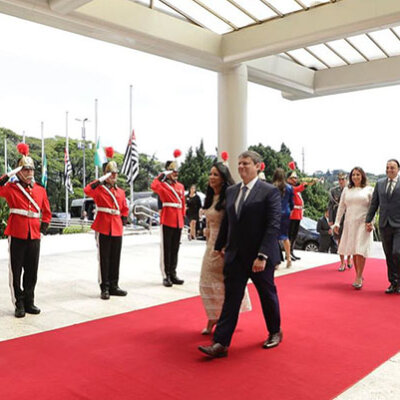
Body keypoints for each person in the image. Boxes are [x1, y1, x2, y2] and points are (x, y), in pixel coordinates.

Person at [198, 150, 282, 358]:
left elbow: (273, 226)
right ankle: (221, 343)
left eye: (246, 163)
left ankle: (274, 332)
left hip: (259, 257)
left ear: (257, 166)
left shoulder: (268, 191)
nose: (242, 167)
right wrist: (219, 246)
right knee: (231, 299)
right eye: (240, 164)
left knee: (267, 295)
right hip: (235, 256)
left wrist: (262, 256)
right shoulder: (232, 191)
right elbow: (228, 221)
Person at [199, 162, 251, 335]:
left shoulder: (229, 197)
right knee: (206, 283)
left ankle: (222, 319)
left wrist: (228, 245)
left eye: (215, 175)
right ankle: (213, 316)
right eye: (210, 174)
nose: (211, 177)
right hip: (210, 245)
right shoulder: (210, 198)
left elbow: (234, 224)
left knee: (224, 284)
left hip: (224, 246)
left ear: (223, 178)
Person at [0, 143, 51, 318]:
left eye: (31, 170)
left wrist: (43, 229)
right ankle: (19, 303)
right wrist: (9, 175)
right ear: (19, 171)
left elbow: (47, 213)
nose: (30, 173)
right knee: (16, 271)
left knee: (32, 270)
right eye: (26, 170)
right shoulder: (11, 188)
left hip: (34, 234)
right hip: (17, 232)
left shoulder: (40, 190)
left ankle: (29, 301)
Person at [84, 147, 129, 300]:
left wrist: (124, 219)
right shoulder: (99, 189)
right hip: (103, 225)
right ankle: (105, 287)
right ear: (106, 175)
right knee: (104, 258)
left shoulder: (121, 192)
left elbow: (124, 208)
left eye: (115, 173)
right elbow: (87, 189)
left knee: (116, 257)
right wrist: (101, 180)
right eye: (111, 174)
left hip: (116, 227)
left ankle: (114, 285)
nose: (114, 176)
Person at [334, 167, 373, 290]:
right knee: (354, 250)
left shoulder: (369, 189)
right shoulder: (347, 190)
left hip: (363, 223)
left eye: (358, 174)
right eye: (353, 174)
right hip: (350, 223)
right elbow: (341, 207)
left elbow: (373, 208)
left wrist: (371, 222)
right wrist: (337, 223)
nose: (355, 177)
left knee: (360, 250)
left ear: (362, 176)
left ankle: (359, 276)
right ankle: (358, 274)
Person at [366, 159, 400, 294]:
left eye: (392, 168)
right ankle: (393, 282)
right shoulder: (380, 184)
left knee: (397, 252)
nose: (389, 170)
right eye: (387, 167)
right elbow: (374, 204)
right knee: (388, 255)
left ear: (398, 169)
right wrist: (368, 220)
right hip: (384, 224)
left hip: (399, 225)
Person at [151, 159, 185, 287]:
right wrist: (163, 174)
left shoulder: (180, 186)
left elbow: (182, 203)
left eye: (176, 171)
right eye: (173, 171)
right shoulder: (163, 185)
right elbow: (153, 185)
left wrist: (182, 218)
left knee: (175, 249)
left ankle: (173, 272)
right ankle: (166, 275)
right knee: (166, 249)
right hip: (167, 219)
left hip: (178, 220)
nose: (176, 173)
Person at [287, 170, 315, 261]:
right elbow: (297, 189)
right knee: (290, 235)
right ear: (288, 179)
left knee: (294, 235)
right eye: (293, 178)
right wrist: (304, 185)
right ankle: (288, 253)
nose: (295, 180)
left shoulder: (295, 187)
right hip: (292, 213)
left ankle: (291, 251)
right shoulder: (289, 187)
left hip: (297, 213)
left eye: (296, 178)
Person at [328, 172, 351, 270]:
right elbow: (330, 206)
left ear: (347, 180)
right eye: (340, 179)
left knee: (350, 241)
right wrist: (331, 220)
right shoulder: (334, 191)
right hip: (338, 218)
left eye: (343, 179)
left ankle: (349, 259)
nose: (341, 181)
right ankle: (342, 262)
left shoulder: (351, 190)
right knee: (340, 241)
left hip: (349, 217)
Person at [272, 168, 294, 268]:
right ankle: (288, 257)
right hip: (286, 212)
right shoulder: (289, 188)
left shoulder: (272, 187)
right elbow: (292, 203)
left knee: (274, 237)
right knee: (285, 236)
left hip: (275, 212)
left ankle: (276, 261)